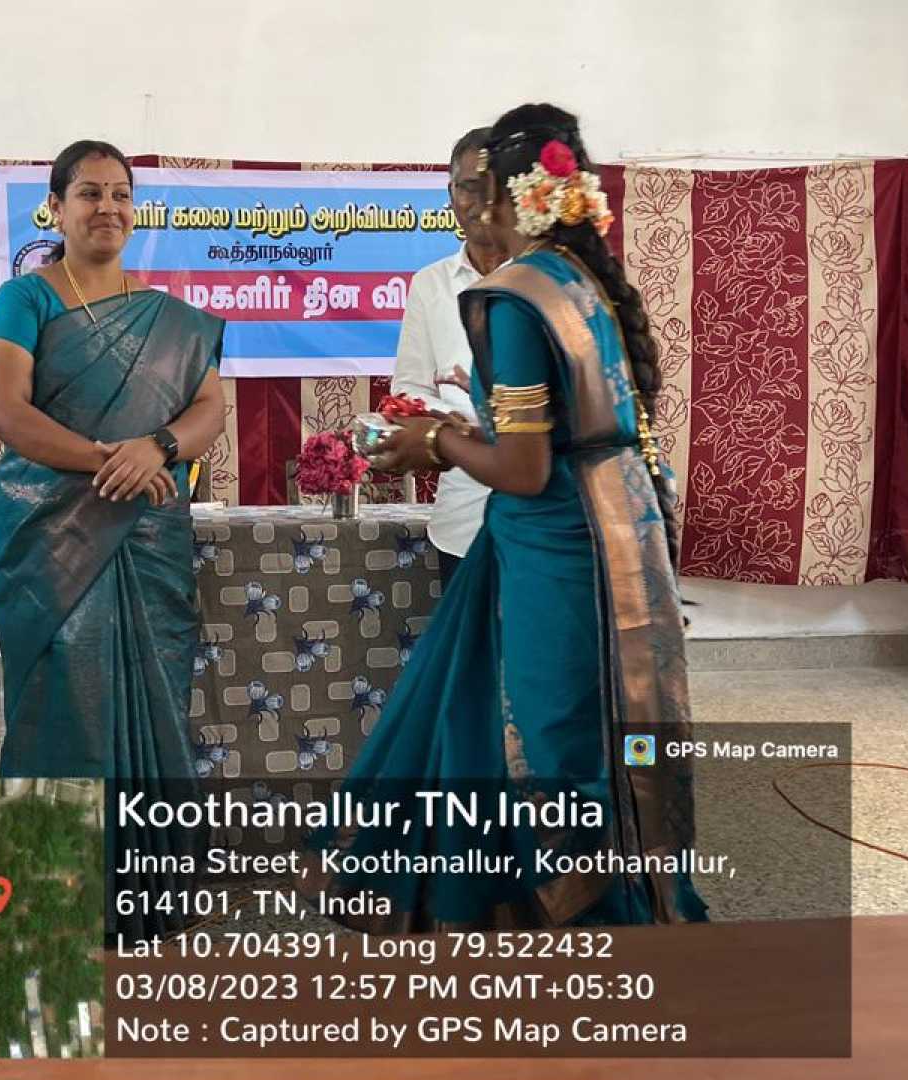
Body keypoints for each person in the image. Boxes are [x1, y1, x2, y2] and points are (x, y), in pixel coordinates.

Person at [308, 104, 705, 931]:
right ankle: (594, 888)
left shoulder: (514, 297)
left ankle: (580, 914)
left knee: (552, 729)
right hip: (616, 526)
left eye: (477, 188)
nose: (468, 205)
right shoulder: (581, 282)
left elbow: (524, 469)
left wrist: (435, 442)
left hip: (553, 539)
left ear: (502, 196)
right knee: (566, 711)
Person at [0, 139, 226, 780]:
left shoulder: (170, 318)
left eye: (120, 195)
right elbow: (1, 409)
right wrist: (107, 461)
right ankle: (60, 841)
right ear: (56, 209)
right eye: (89, 193)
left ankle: (148, 836)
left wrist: (157, 448)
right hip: (54, 537)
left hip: (150, 533)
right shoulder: (25, 300)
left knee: (157, 688)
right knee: (62, 694)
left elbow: (209, 409)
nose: (107, 207)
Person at [390, 126, 505, 589]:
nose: (479, 202)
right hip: (462, 517)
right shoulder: (431, 284)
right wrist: (451, 423)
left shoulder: (544, 282)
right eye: (466, 187)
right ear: (450, 195)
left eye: (491, 186)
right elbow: (408, 389)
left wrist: (491, 414)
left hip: (543, 516)